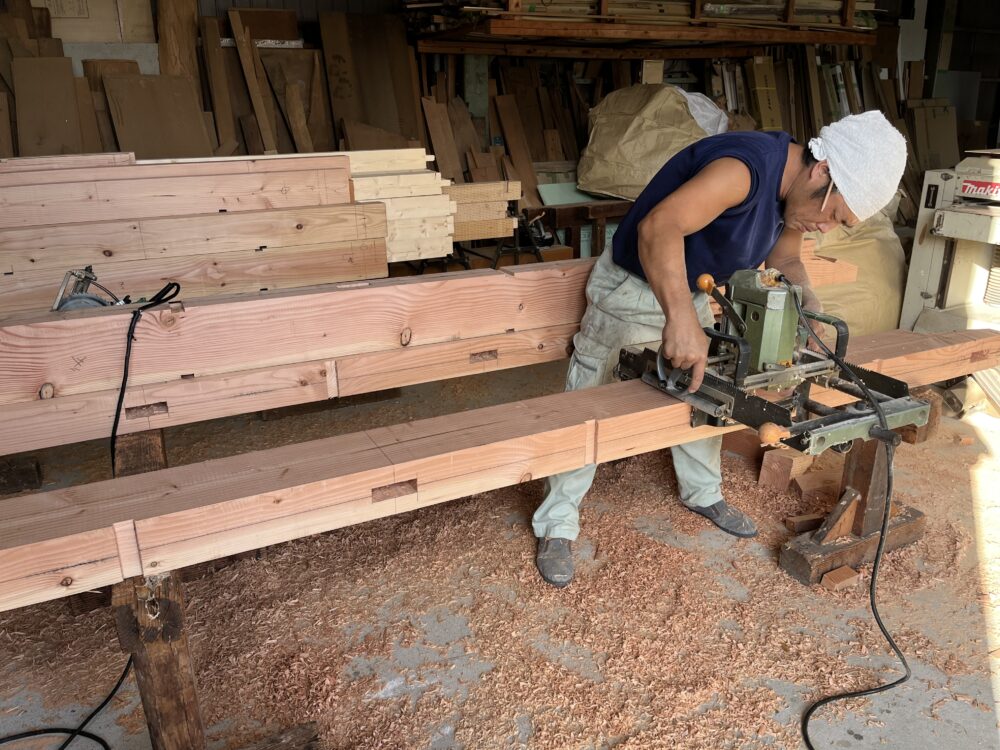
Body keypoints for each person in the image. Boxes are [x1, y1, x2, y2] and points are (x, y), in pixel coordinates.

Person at [533, 110, 908, 588]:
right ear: (822, 172)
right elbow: (658, 229)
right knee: (590, 401)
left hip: (691, 289)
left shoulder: (794, 198)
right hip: (631, 286)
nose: (825, 227)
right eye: (832, 215)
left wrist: (808, 309)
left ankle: (702, 492)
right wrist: (682, 319)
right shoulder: (743, 170)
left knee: (706, 390)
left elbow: (786, 256)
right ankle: (557, 524)